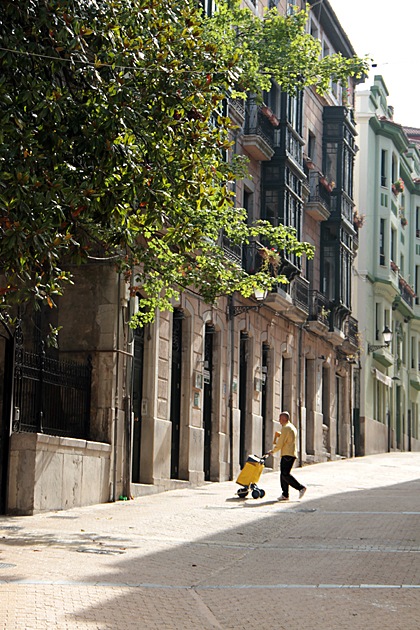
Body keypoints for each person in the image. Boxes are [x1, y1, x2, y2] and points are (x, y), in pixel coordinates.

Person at [268, 411, 306, 502]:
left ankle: (300, 488)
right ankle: (285, 494)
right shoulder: (291, 427)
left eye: (280, 418)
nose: (279, 420)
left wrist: (273, 451)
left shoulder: (286, 428)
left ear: (284, 419)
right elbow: (288, 439)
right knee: (283, 474)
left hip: (287, 454)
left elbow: (281, 443)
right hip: (290, 453)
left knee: (285, 474)